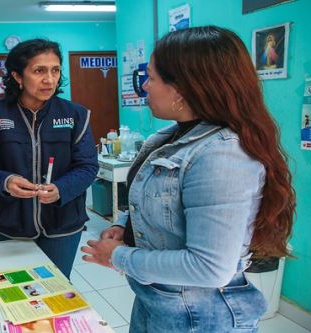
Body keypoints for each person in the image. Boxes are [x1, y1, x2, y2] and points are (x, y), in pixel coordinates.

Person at [81, 26, 295, 333]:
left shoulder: (222, 155)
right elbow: (155, 199)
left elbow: (210, 268)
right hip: (157, 300)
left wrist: (118, 256)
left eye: (152, 78)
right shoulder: (167, 138)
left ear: (182, 88)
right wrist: (122, 227)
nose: (144, 86)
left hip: (198, 316)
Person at [0, 38, 98, 279]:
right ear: (17, 76)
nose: (49, 79)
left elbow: (88, 166)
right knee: (20, 290)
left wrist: (60, 188)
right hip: (12, 223)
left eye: (55, 70)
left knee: (57, 287)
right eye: (39, 71)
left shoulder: (75, 115)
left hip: (63, 224)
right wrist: (5, 182)